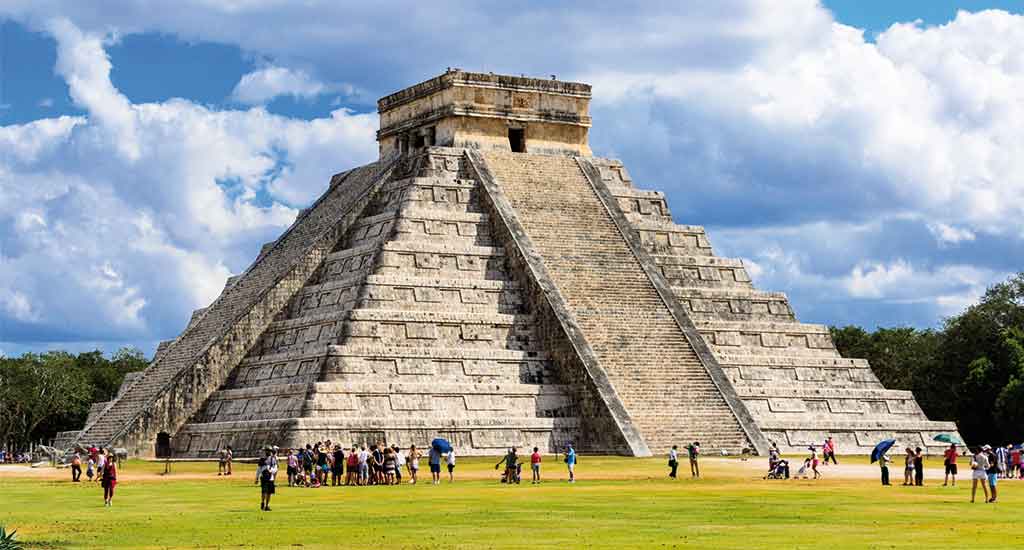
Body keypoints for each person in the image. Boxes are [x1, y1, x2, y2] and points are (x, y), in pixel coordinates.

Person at [255, 447, 279, 511]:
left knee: (269, 492)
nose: (268, 452)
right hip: (264, 477)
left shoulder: (273, 459)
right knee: (264, 491)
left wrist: (271, 471)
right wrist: (257, 478)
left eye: (269, 451)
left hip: (271, 477)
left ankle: (267, 505)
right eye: (267, 451)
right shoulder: (262, 459)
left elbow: (275, 467)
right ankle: (263, 502)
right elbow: (258, 469)